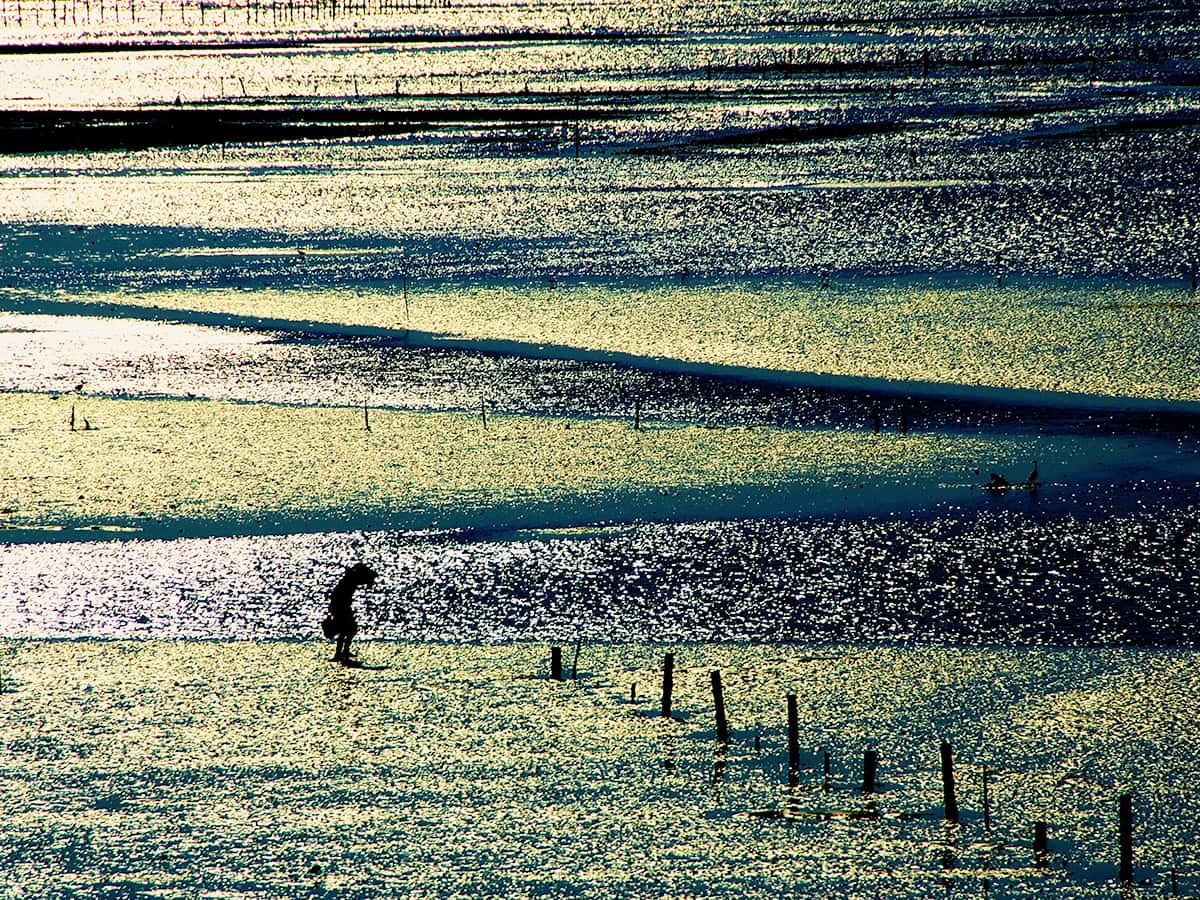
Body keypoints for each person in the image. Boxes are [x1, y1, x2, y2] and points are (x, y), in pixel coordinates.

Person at [325, 563, 377, 663]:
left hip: (342, 607)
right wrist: (370, 579)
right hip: (340, 607)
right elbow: (363, 580)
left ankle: (343, 651)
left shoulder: (350, 578)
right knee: (347, 630)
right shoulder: (350, 579)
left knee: (348, 630)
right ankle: (339, 653)